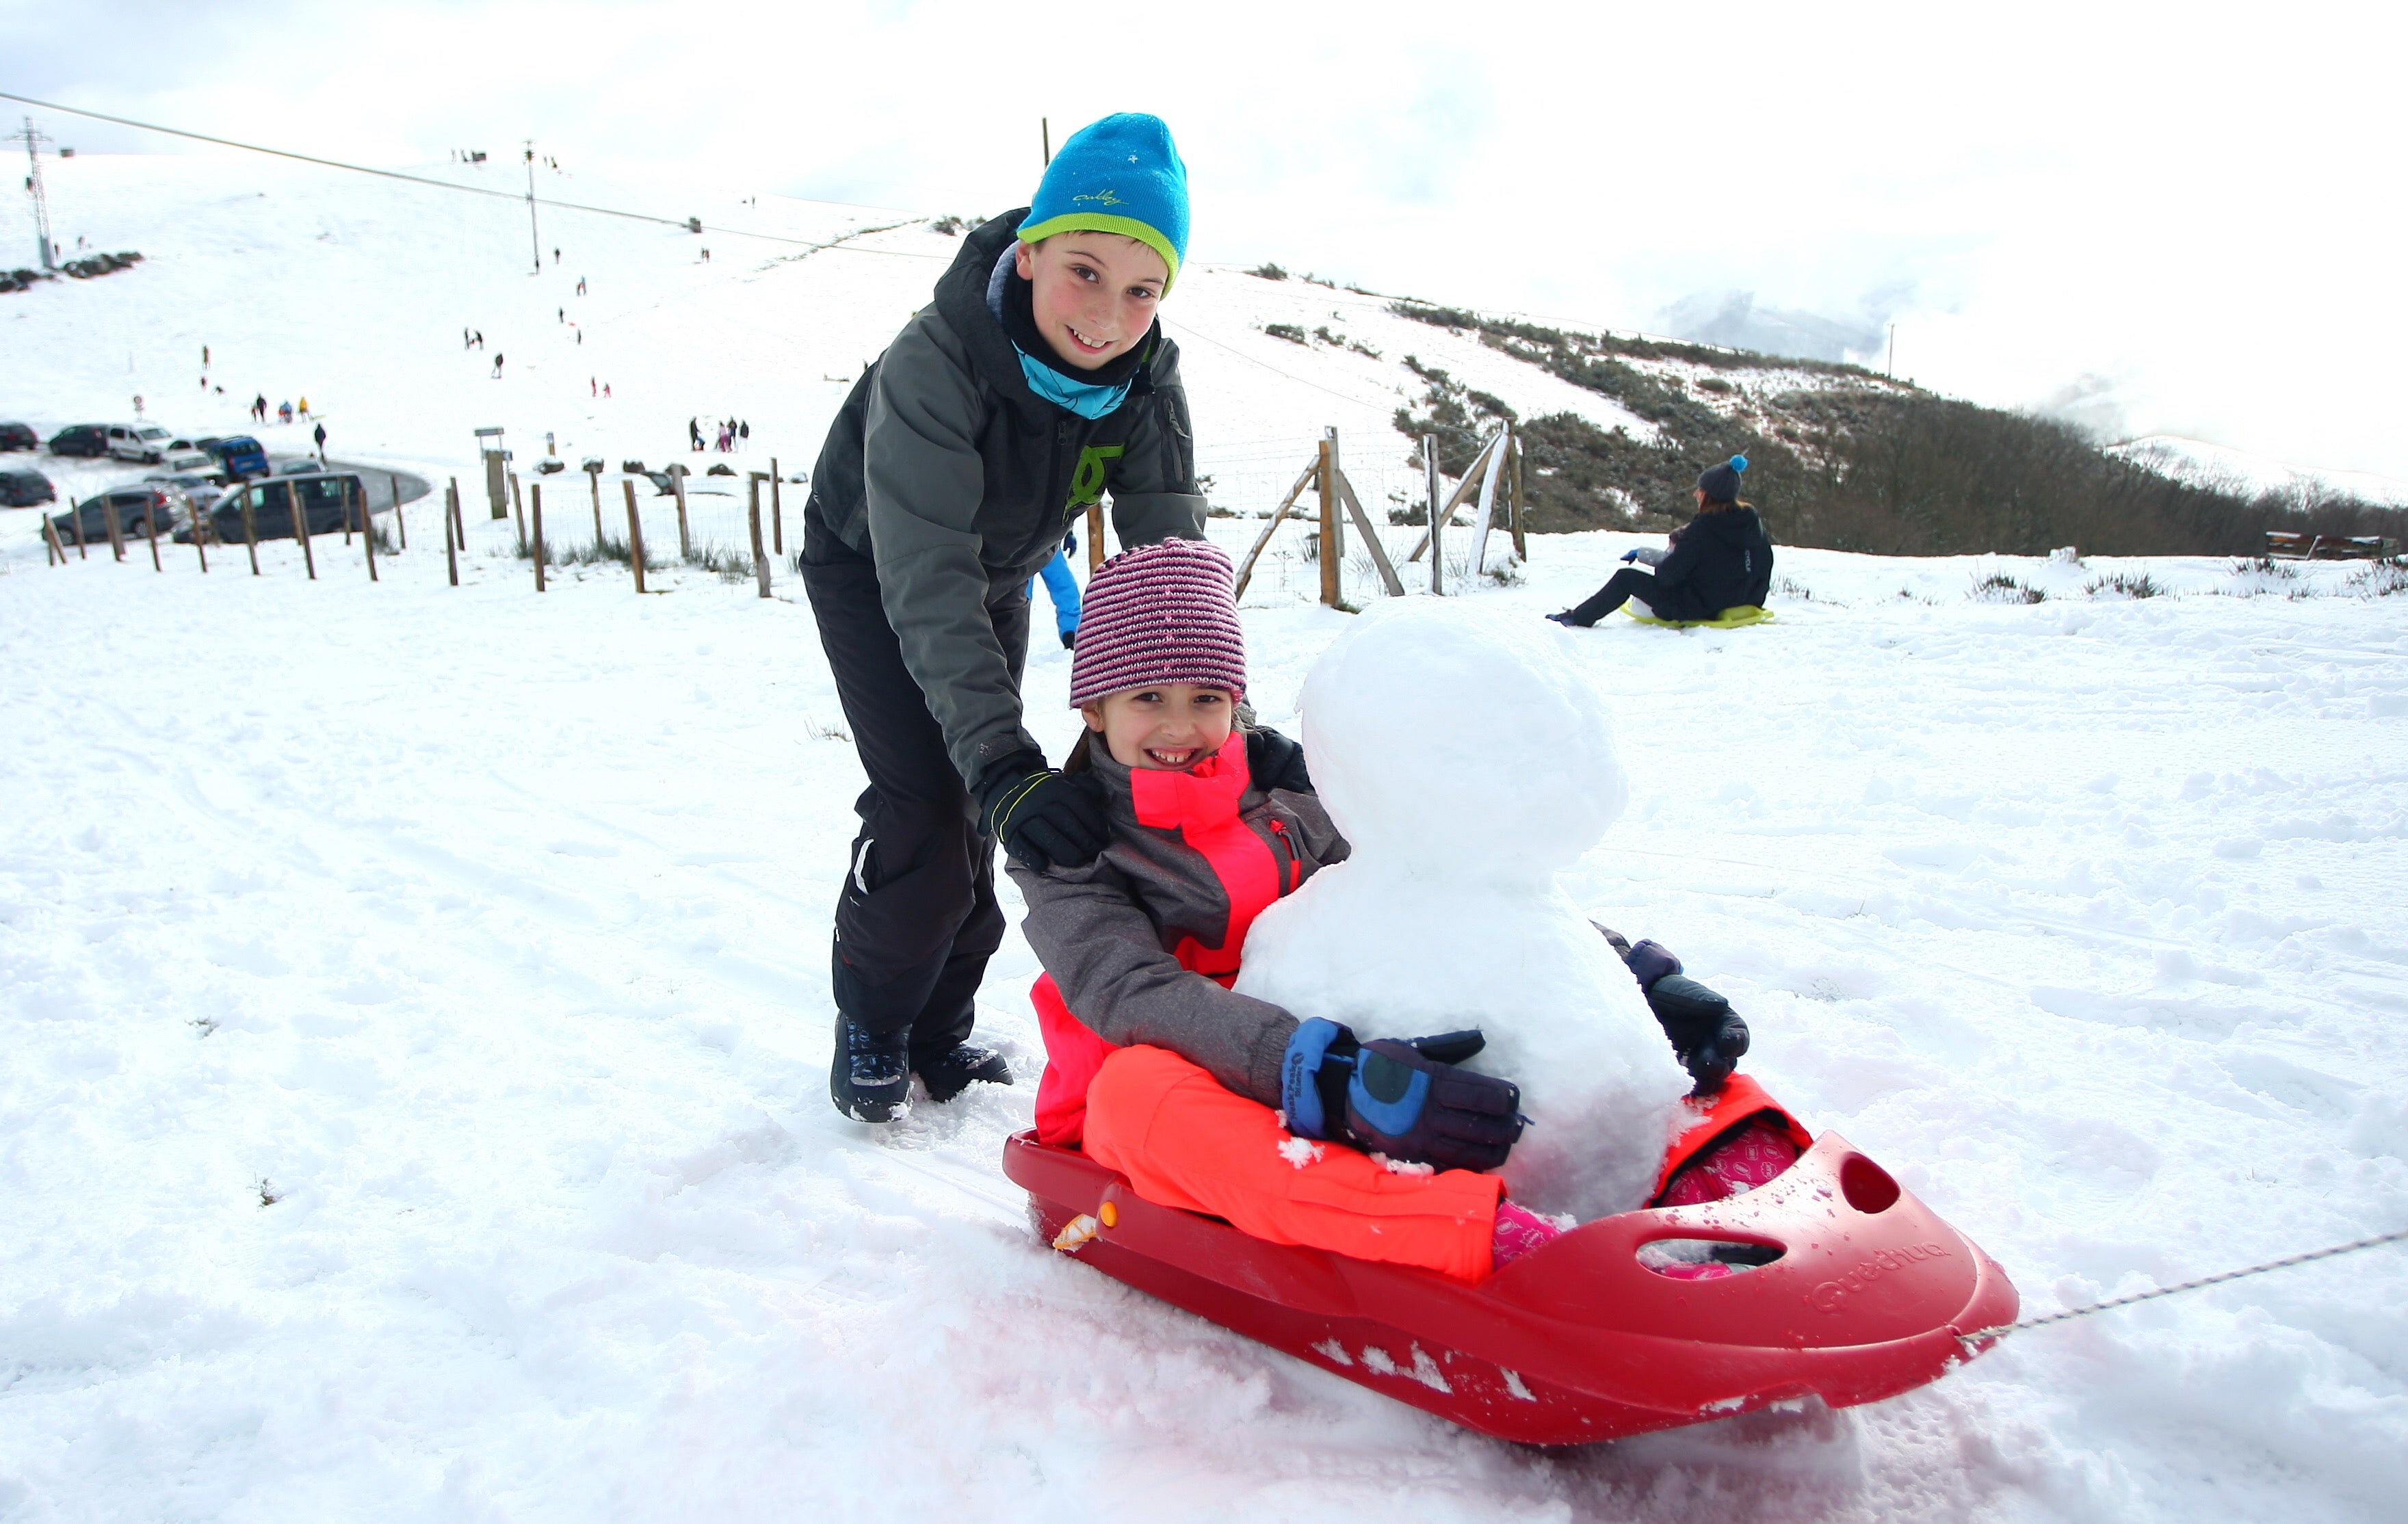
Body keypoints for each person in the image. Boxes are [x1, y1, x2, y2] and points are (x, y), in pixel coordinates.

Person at [798, 113, 1205, 1123]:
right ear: (1028, 254)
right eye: (1084, 271)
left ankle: (940, 1029)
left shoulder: (1144, 378)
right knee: (937, 800)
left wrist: (1206, 707)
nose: (1110, 315)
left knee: (999, 812)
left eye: (1142, 289)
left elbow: (1165, 550)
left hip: (999, 570)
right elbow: (925, 574)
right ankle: (876, 1022)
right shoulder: (937, 363)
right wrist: (999, 759)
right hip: (875, 566)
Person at [1011, 539, 1553, 1281]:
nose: (1179, 727)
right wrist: (1318, 1071)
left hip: (1332, 1062)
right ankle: (1485, 1230)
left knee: (1475, 1013)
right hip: (1171, 1097)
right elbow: (1128, 989)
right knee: (1133, 1097)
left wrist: (1617, 968)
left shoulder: (1291, 800)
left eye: (1205, 697)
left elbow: (1425, 893)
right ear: (1094, 709)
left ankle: (1696, 1143)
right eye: (1148, 698)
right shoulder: (1068, 844)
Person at [1551, 455, 1773, 627]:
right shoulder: (1752, 524)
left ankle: (1578, 618)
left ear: (1709, 495)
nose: (1696, 494)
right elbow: (1762, 565)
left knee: (1625, 579)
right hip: (1747, 602)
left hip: (1703, 607)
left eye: (1701, 490)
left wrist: (1661, 562)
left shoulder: (1703, 528)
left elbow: (1670, 576)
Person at [1032, 531, 1081, 648]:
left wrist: (1068, 531)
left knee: (1067, 588)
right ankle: (1009, 643)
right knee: (1020, 597)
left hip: (1048, 541)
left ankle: (1072, 634)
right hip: (1017, 545)